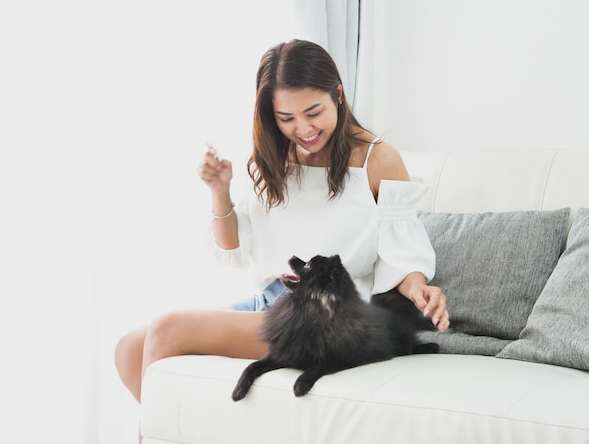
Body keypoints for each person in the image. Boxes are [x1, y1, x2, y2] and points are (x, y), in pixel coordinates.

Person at [114, 39, 450, 407]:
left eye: (313, 112)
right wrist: (219, 191)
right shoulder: (269, 157)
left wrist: (419, 288)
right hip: (272, 300)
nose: (303, 129)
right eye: (286, 118)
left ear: (337, 94)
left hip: (328, 314)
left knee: (167, 329)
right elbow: (232, 248)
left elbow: (400, 253)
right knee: (129, 349)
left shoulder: (377, 159)